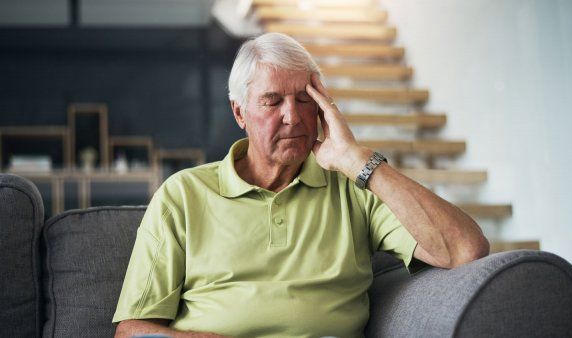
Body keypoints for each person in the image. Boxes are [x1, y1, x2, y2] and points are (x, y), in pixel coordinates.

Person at [113, 32, 489, 338]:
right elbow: (132, 332)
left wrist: (357, 159)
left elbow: (465, 250)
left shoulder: (354, 187)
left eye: (304, 100)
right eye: (272, 101)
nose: (292, 117)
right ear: (239, 112)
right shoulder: (183, 194)